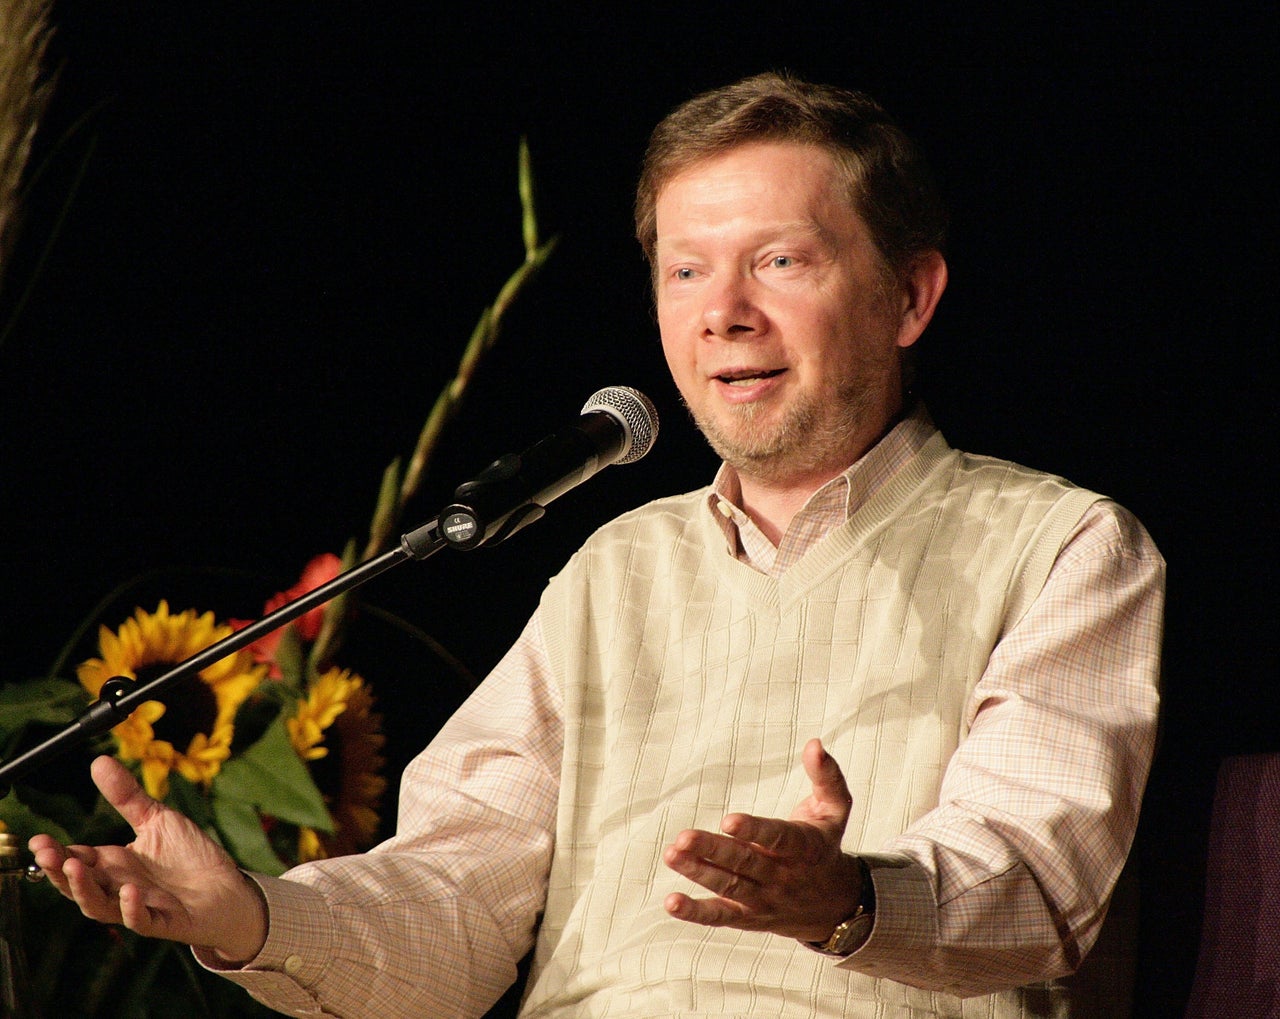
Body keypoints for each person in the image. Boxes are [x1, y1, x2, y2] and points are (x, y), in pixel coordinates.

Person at [30, 71, 1164, 1018]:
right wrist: (252, 916)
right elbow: (456, 902)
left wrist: (844, 895)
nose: (721, 310)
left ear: (909, 296)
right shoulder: (614, 570)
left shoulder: (1063, 546)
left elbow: (1032, 878)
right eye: (684, 269)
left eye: (779, 261)